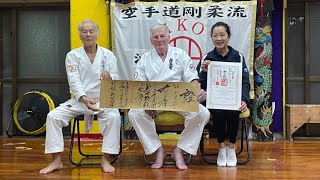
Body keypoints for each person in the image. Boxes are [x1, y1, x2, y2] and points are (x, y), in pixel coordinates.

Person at [39, 19, 121, 174]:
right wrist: (84, 98)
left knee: (114, 117)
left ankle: (106, 158)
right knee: (53, 116)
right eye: (85, 31)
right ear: (80, 35)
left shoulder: (108, 55)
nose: (88, 34)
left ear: (97, 34)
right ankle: (56, 161)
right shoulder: (72, 55)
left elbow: (116, 77)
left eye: (91, 31)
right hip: (80, 100)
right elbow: (74, 79)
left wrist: (109, 76)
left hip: (102, 99)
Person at [128, 24, 210, 170]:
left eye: (162, 36)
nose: (159, 40)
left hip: (178, 99)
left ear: (169, 37)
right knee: (134, 113)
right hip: (154, 101)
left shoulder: (180, 54)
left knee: (203, 113)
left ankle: (180, 150)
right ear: (151, 40)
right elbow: (139, 85)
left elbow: (193, 78)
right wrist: (146, 103)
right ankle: (158, 149)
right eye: (156, 37)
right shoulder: (145, 59)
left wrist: (197, 90)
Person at [198, 22, 250, 167]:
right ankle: (221, 147)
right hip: (213, 99)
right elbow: (199, 83)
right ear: (211, 38)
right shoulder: (207, 58)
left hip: (233, 98)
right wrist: (204, 72)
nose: (218, 38)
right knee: (219, 112)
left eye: (222, 35)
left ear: (228, 37)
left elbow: (245, 81)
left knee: (234, 110)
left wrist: (244, 100)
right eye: (215, 35)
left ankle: (232, 147)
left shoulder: (237, 56)